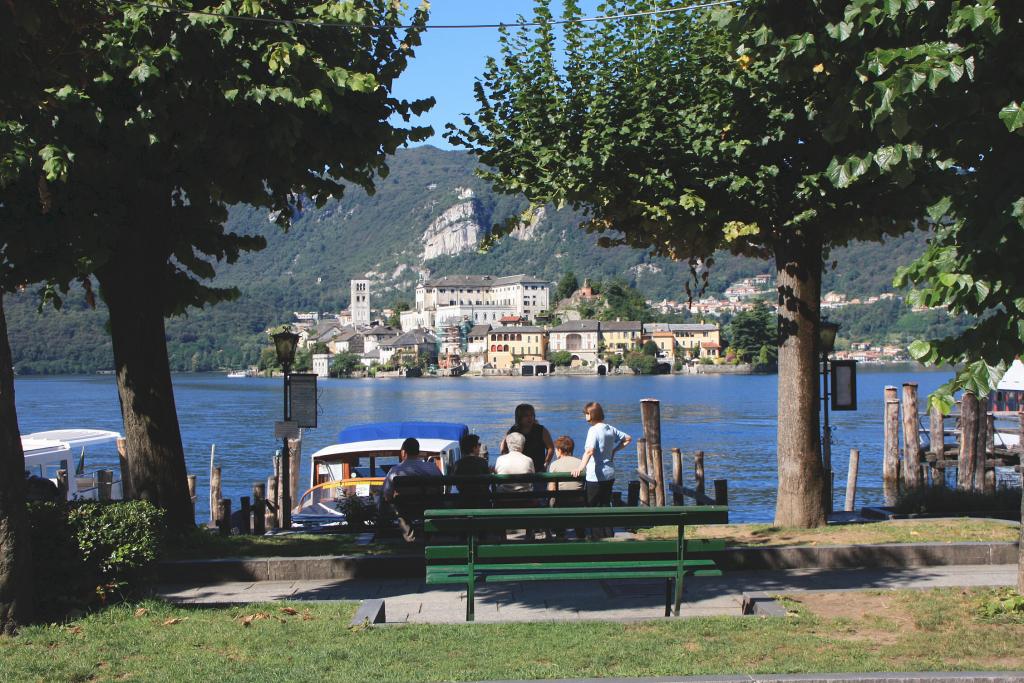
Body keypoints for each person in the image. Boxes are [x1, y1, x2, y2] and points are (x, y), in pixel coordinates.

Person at [381, 437, 441, 542]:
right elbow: (440, 487)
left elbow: (387, 494)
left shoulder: (395, 471)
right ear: (418, 452)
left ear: (403, 452)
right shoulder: (432, 468)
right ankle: (429, 535)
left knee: (396, 506)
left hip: (405, 507)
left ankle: (409, 538)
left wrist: (393, 500)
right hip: (428, 505)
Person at [573, 401, 632, 508]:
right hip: (609, 474)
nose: (585, 416)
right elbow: (628, 439)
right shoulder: (610, 428)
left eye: (586, 413)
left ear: (591, 414)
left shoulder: (593, 430)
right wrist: (614, 450)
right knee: (605, 504)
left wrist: (580, 467)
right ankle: (606, 525)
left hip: (595, 476)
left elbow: (589, 451)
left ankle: (593, 525)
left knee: (591, 505)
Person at [494, 431, 536, 540]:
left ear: (508, 445)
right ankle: (529, 535)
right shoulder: (528, 460)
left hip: (503, 501)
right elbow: (533, 478)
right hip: (525, 501)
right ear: (522, 445)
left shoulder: (500, 459)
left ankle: (503, 536)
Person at [499, 403, 555, 479]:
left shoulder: (541, 430)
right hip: (518, 472)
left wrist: (546, 463)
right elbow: (503, 447)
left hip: (538, 472)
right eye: (526, 416)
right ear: (519, 417)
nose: (530, 418)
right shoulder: (513, 430)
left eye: (532, 415)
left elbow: (550, 448)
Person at [547, 435, 585, 540]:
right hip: (579, 501)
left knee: (552, 499)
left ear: (559, 450)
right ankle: (581, 535)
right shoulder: (581, 463)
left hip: (561, 502)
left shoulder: (554, 464)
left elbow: (552, 489)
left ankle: (559, 533)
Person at [451, 433, 491, 508]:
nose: (479, 447)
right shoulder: (482, 462)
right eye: (478, 445)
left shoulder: (457, 464)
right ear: (474, 448)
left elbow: (456, 485)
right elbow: (487, 484)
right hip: (481, 503)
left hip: (463, 501)